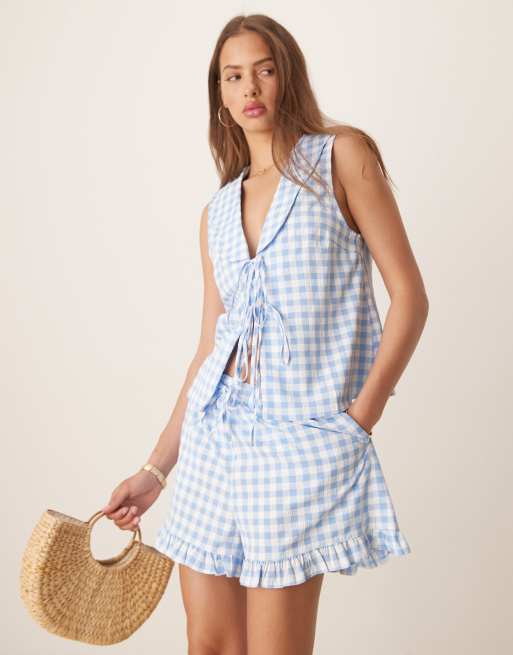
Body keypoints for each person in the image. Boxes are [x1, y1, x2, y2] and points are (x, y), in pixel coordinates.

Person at [101, 13, 429, 655]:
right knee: (210, 646)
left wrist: (357, 423)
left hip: (297, 445)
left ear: (288, 77)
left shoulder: (340, 158)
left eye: (264, 69)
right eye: (233, 76)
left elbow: (410, 299)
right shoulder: (217, 213)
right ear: (220, 96)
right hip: (212, 446)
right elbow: (210, 351)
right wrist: (155, 471)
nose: (250, 86)